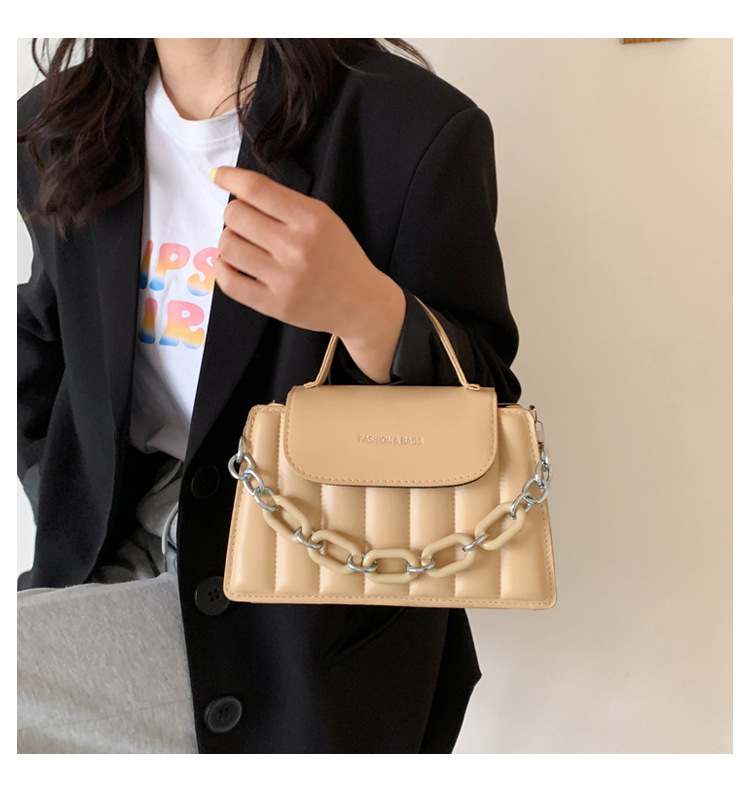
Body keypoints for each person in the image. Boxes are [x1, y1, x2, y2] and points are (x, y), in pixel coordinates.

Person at [17, 38, 523, 753]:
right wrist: (59, 489)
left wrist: (367, 309)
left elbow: (487, 411)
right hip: (113, 547)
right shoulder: (58, 123)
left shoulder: (409, 127)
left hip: (310, 597)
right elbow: (47, 332)